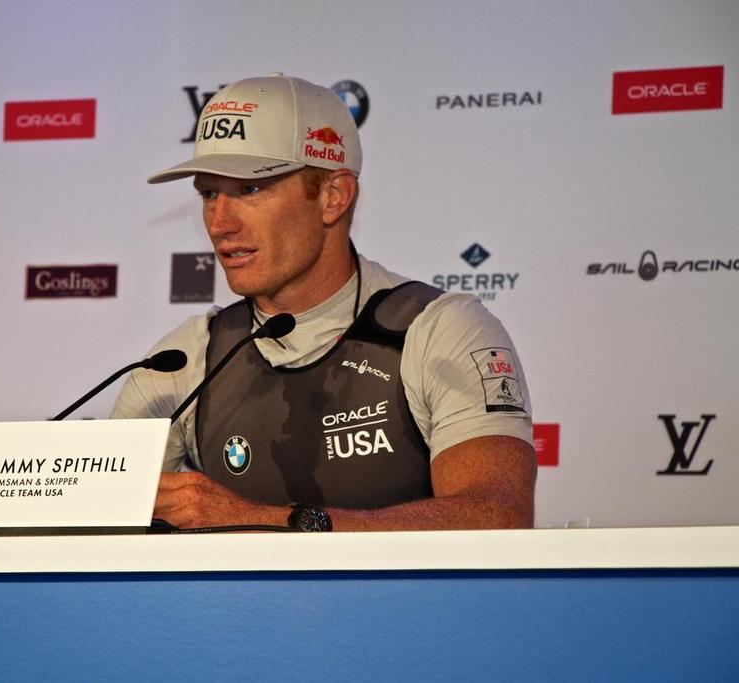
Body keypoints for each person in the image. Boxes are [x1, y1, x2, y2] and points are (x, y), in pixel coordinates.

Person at [112, 73, 536, 532]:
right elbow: (94, 523)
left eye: (249, 190)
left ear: (333, 197)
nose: (219, 223)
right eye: (209, 193)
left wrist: (267, 522)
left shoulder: (440, 330)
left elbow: (497, 516)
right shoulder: (181, 361)